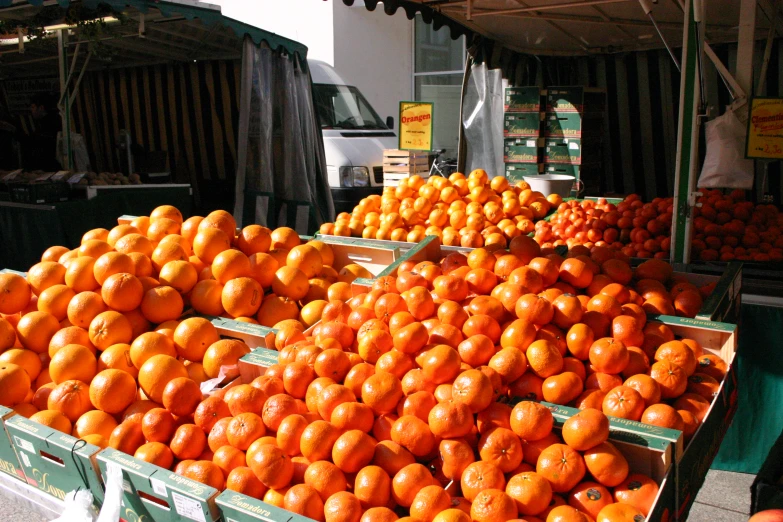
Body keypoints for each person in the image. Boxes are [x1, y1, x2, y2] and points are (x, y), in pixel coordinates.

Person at [21, 93, 61, 171]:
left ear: (41, 108)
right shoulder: (44, 123)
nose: (31, 110)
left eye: (33, 107)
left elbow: (37, 143)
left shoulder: (49, 124)